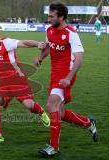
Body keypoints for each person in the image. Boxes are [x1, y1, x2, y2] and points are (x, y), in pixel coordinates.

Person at [34, 2, 98, 156]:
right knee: (59, 112)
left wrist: (69, 78)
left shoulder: (71, 33)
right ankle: (88, 123)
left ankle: (54, 147)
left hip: (65, 76)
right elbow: (49, 47)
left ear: (61, 17)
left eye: (52, 16)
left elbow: (79, 59)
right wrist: (40, 57)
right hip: (54, 75)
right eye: (48, 15)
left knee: (51, 104)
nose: (49, 18)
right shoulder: (49, 31)